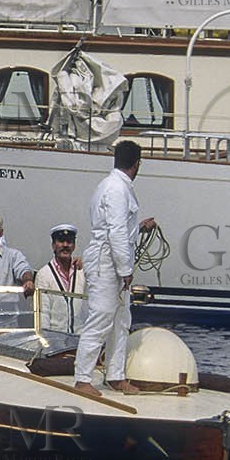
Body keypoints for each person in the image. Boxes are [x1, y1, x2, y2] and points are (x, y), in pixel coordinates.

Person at [74, 140, 157, 396]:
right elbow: (116, 232)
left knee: (121, 321)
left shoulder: (116, 186)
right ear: (137, 163)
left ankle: (115, 375)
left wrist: (139, 227)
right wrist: (125, 269)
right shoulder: (116, 189)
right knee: (101, 316)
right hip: (106, 263)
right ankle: (82, 378)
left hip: (114, 259)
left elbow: (121, 227)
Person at [34, 222, 83, 333]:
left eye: (69, 242)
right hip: (56, 339)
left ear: (74, 246)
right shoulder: (44, 274)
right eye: (61, 241)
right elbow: (43, 313)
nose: (65, 245)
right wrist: (45, 340)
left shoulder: (81, 271)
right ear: (53, 245)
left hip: (80, 337)